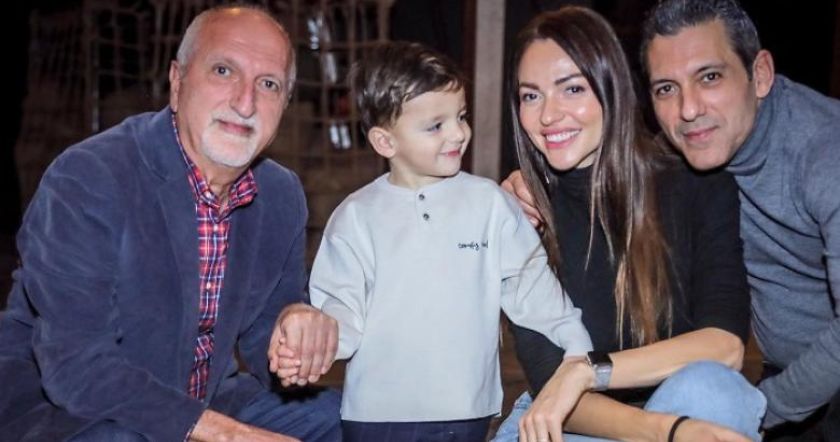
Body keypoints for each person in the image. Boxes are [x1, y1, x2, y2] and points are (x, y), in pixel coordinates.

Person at [0, 6, 341, 442]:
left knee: (342, 416)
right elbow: (75, 367)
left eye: (268, 84)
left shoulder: (280, 194)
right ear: (177, 83)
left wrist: (294, 329)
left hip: (203, 398)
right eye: (223, 71)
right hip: (70, 410)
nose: (245, 103)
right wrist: (226, 435)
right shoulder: (89, 176)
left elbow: (264, 342)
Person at [271, 41, 593, 442]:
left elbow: (533, 290)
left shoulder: (489, 204)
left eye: (461, 116)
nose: (459, 133)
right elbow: (342, 309)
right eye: (435, 125)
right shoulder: (356, 216)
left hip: (466, 409)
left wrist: (578, 348)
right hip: (377, 414)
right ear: (385, 142)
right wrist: (312, 347)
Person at [492, 7, 765, 442]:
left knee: (715, 391)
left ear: (612, 88)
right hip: (576, 421)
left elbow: (725, 345)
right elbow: (550, 385)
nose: (548, 115)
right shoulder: (521, 213)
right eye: (531, 96)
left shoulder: (696, 185)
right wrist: (666, 432)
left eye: (572, 88)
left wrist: (589, 371)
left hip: (684, 402)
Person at [641, 1, 840, 439]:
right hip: (791, 378)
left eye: (710, 77)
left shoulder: (825, 152)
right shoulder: (684, 145)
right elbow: (609, 174)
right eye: (666, 88)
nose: (688, 109)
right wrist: (533, 190)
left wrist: (753, 411)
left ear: (760, 74)